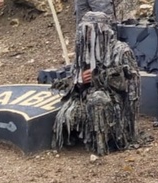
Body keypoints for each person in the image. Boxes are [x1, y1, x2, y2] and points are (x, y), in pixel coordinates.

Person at [52, 11, 140, 156]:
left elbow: (130, 85)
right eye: (85, 31)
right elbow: (72, 77)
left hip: (115, 100)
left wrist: (98, 78)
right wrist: (79, 79)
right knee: (66, 111)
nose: (87, 36)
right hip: (85, 95)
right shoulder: (84, 52)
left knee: (98, 99)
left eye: (91, 31)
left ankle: (103, 146)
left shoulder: (121, 51)